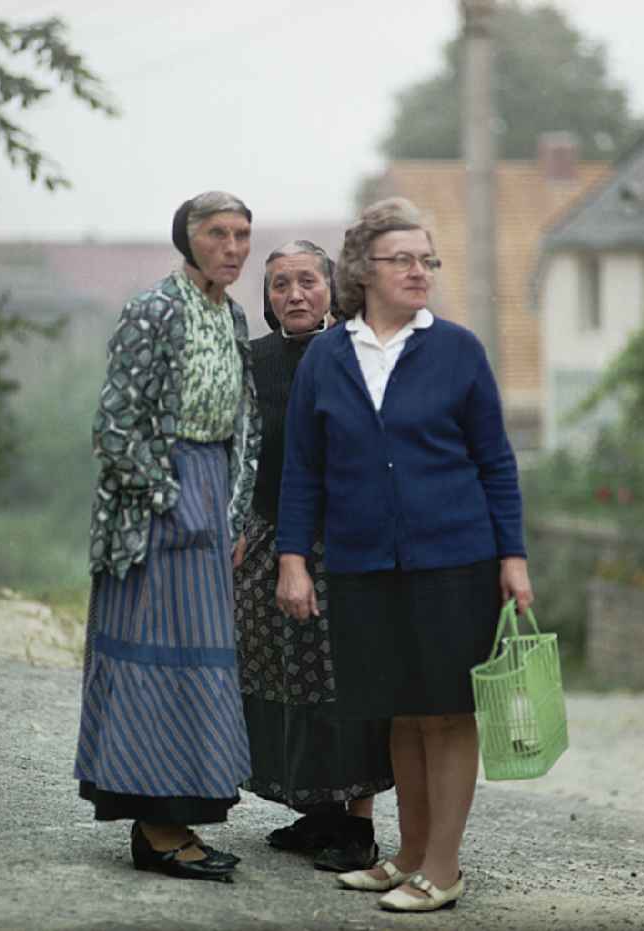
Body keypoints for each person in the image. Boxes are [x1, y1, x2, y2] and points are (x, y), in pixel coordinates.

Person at [276, 198, 533, 913]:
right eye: (404, 259)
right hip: (362, 564)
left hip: (456, 559)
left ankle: (443, 868)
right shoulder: (327, 356)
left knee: (448, 712)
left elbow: (496, 461)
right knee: (400, 711)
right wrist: (292, 556)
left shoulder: (459, 349)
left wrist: (512, 555)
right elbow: (303, 467)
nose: (420, 271)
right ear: (365, 269)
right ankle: (411, 854)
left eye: (428, 259)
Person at [74, 191, 261, 882]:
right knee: (157, 662)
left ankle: (173, 822)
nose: (234, 247)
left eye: (243, 234)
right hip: (154, 505)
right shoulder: (152, 309)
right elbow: (114, 426)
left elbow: (245, 422)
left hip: (211, 495)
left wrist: (231, 512)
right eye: (218, 233)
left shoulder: (232, 315)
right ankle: (158, 827)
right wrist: (168, 499)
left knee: (202, 663)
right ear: (188, 240)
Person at [234, 240, 393, 872]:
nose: (294, 294)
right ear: (267, 298)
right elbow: (236, 448)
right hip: (269, 539)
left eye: (307, 281)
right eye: (279, 285)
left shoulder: (359, 355)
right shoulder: (252, 363)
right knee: (279, 679)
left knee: (342, 683)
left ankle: (356, 825)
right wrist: (236, 522)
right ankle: (314, 813)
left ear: (332, 288)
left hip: (343, 546)